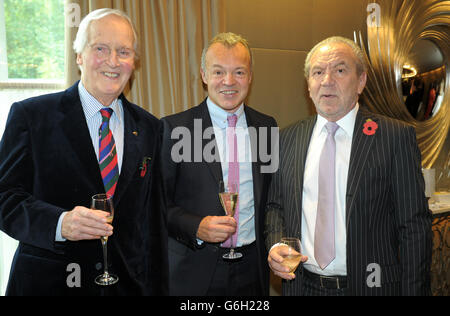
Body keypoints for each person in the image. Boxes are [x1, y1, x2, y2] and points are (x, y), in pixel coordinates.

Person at [0, 8, 167, 295]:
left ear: (134, 62)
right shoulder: (31, 116)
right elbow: (4, 197)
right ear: (79, 56)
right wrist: (60, 223)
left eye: (124, 51)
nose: (113, 61)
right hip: (50, 285)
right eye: (100, 48)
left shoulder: (150, 128)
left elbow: (153, 224)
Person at [265, 36, 432, 296]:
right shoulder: (286, 139)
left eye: (340, 70)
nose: (327, 80)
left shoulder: (393, 137)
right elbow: (276, 206)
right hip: (302, 287)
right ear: (308, 84)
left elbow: (414, 228)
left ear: (361, 81)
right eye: (317, 72)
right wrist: (275, 244)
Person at [161, 32, 278, 296]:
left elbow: (273, 201)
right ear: (204, 75)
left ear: (250, 76)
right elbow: (157, 205)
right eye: (218, 72)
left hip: (253, 270)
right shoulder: (174, 129)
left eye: (239, 72)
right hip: (194, 271)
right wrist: (196, 226)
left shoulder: (267, 127)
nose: (228, 81)